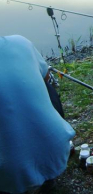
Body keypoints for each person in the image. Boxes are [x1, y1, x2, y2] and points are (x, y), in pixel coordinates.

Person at [0, 35, 75, 194]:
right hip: (57, 151)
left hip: (10, 175)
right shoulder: (20, 42)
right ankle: (47, 179)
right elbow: (46, 76)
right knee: (47, 86)